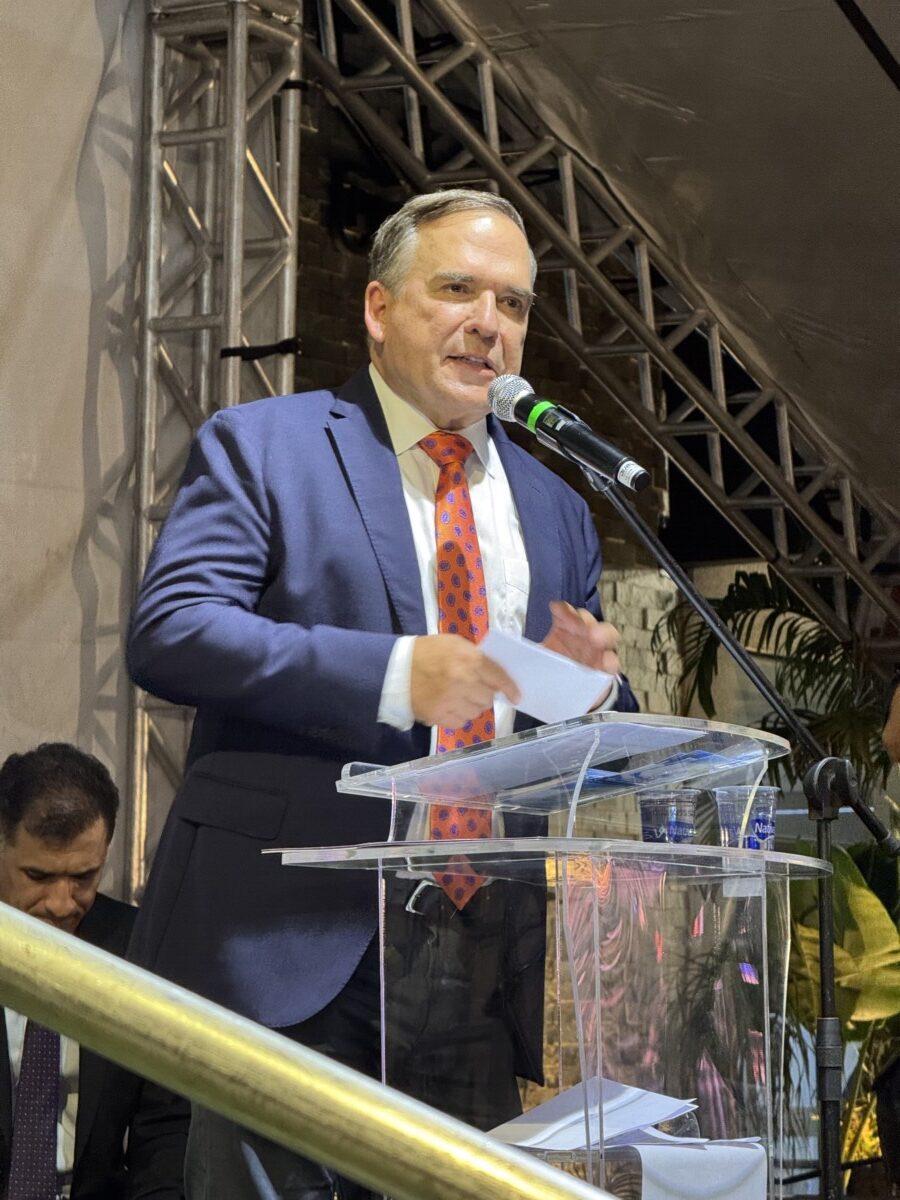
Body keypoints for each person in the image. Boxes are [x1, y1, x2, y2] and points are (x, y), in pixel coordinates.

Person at [126, 188, 638, 1198]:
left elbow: (571, 723)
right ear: (378, 307)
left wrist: (590, 697)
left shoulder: (556, 507)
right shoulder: (266, 445)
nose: (488, 323)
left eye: (513, 305)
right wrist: (399, 673)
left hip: (478, 955)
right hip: (290, 944)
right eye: (457, 290)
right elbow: (173, 630)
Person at [0, 741, 188, 1199]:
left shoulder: (138, 949)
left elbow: (164, 1128)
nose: (62, 904)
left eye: (83, 877)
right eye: (39, 877)